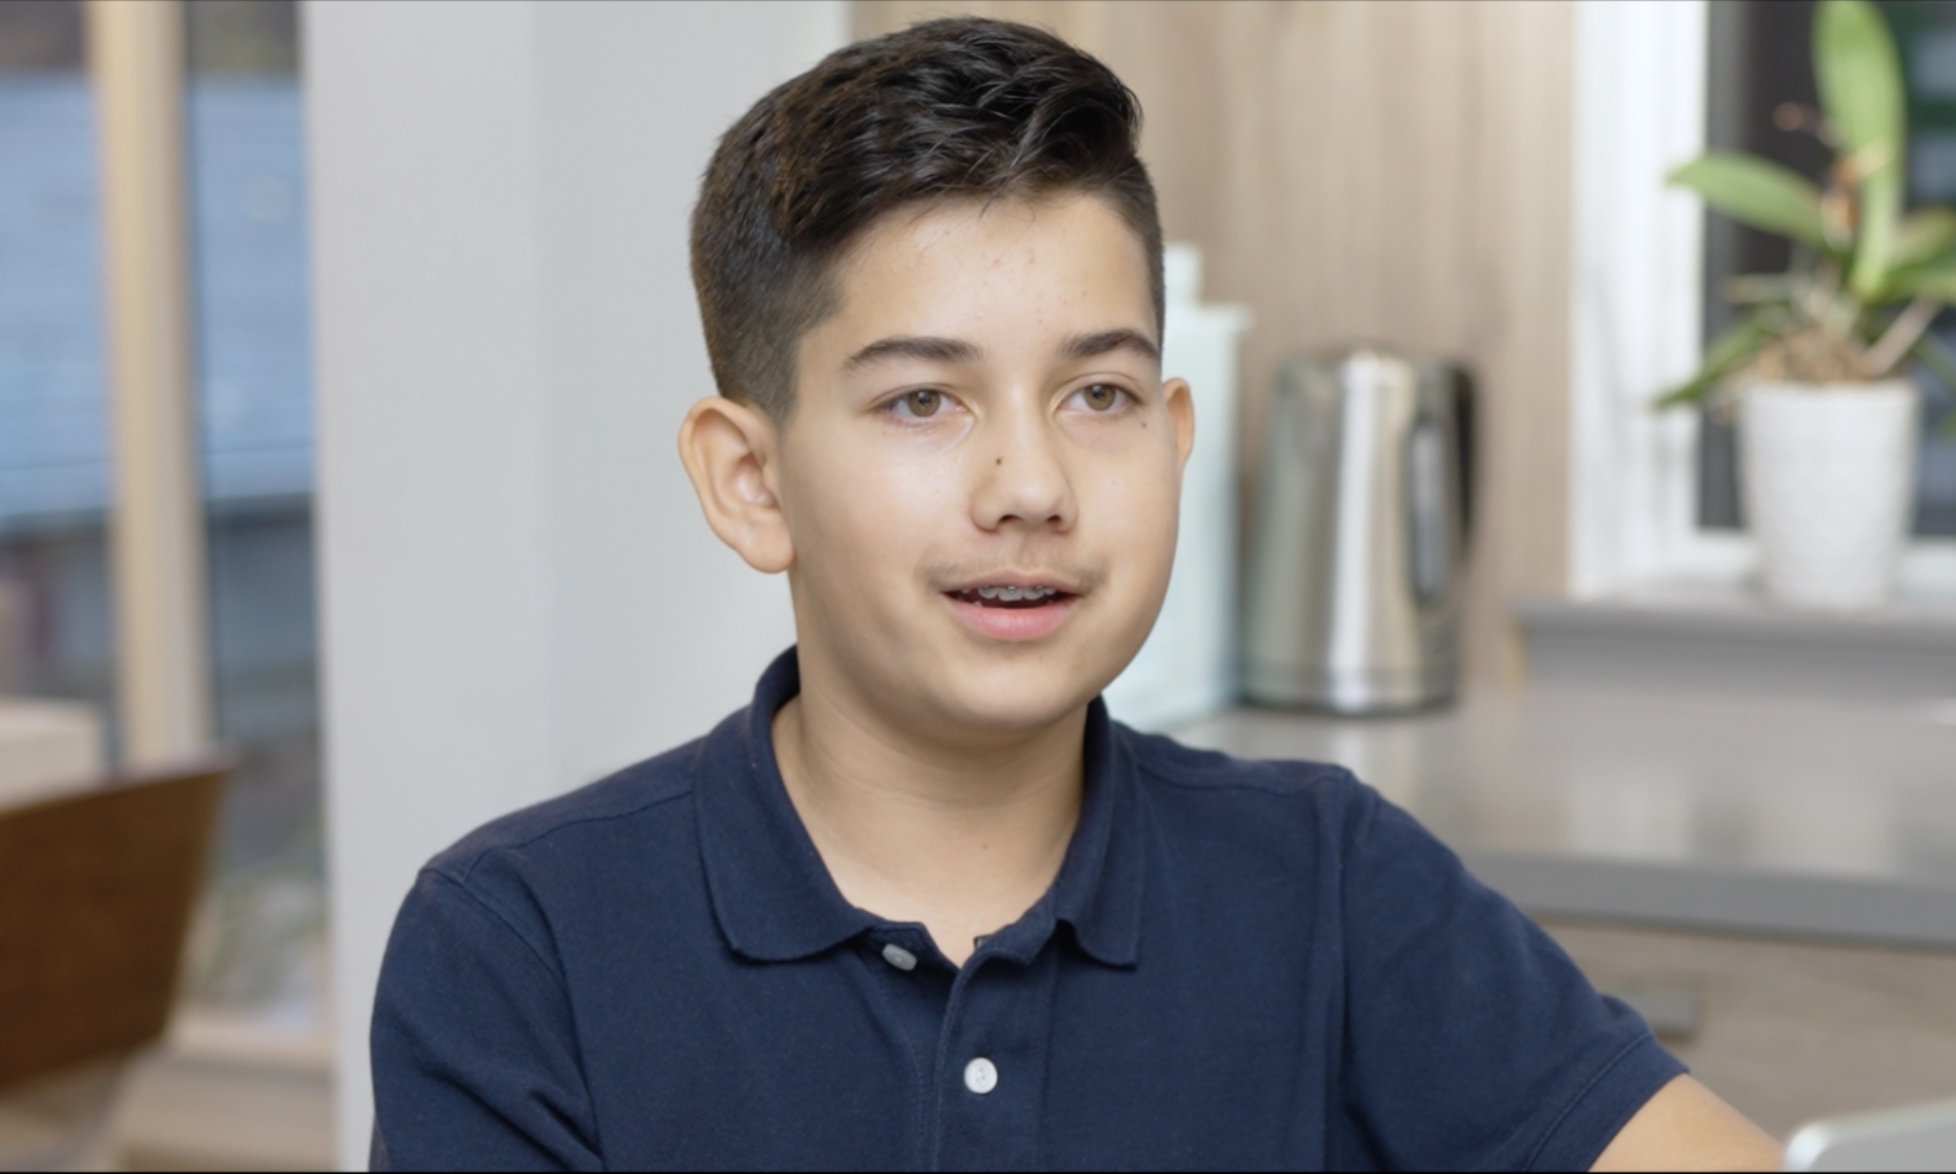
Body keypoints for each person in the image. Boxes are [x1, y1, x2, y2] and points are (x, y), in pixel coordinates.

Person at [370, 17, 1782, 1170]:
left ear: (1174, 436)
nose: (1030, 483)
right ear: (752, 481)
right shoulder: (520, 945)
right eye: (923, 398)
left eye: (1097, 393)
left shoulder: (1331, 884)